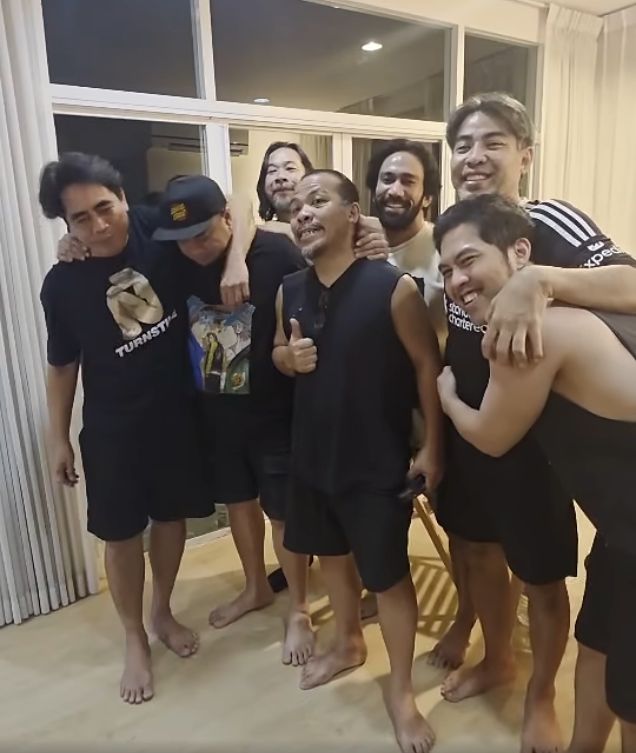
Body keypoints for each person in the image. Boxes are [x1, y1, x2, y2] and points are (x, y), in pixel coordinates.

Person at [429, 92, 636, 753]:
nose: (473, 156)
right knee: (488, 560)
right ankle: (504, 665)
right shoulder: (458, 239)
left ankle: (539, 697)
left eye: (492, 142)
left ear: (525, 155)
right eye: (462, 145)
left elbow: (632, 284)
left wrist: (539, 280)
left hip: (541, 441)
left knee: (548, 582)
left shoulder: (546, 227)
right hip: (502, 439)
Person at [273, 169, 444, 753]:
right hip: (312, 454)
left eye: (317, 200)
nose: (302, 213)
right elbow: (277, 351)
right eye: (295, 207)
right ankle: (348, 642)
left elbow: (427, 366)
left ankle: (401, 691)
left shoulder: (393, 288)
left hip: (375, 460)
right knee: (331, 557)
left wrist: (433, 445)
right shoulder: (289, 289)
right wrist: (286, 358)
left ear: (352, 214)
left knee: (388, 577)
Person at [38, 153, 213, 704]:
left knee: (171, 517)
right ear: (66, 226)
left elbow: (229, 211)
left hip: (175, 413)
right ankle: (134, 637)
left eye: (104, 208)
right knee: (119, 534)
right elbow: (62, 365)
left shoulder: (157, 226)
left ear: (123, 198)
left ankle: (162, 611)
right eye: (81, 218)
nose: (98, 225)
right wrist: (58, 437)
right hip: (113, 427)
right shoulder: (61, 284)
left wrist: (234, 262)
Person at [151, 175, 315, 665]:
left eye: (203, 235)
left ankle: (300, 609)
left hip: (275, 410)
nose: (194, 248)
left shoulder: (275, 254)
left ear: (227, 219)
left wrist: (237, 255)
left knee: (281, 513)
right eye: (183, 240)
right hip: (216, 411)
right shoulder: (177, 263)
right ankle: (255, 586)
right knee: (239, 503)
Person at [365, 138, 445, 336]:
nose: (395, 191)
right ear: (374, 191)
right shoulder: (356, 246)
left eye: (408, 182)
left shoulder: (445, 249)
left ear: (427, 198)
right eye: (387, 179)